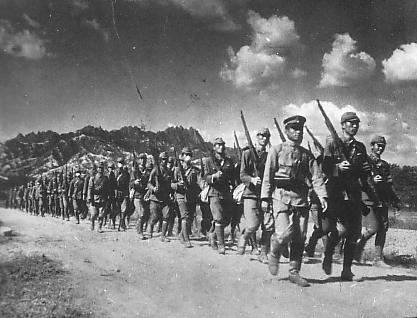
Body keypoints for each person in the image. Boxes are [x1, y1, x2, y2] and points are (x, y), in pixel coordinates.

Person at [261, 115, 327, 287]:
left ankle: (294, 272)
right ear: (286, 131)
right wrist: (264, 198)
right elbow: (267, 176)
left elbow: (317, 177)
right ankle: (275, 250)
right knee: (283, 235)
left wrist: (323, 196)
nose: (298, 132)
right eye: (294, 129)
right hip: (281, 197)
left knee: (300, 237)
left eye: (300, 129)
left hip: (301, 200)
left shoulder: (307, 155)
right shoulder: (276, 150)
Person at [321, 112, 381, 281]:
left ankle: (346, 270)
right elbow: (324, 166)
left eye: (356, 124)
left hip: (354, 194)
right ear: (342, 125)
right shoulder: (332, 142)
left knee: (353, 232)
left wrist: (370, 191)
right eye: (351, 123)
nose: (354, 126)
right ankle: (328, 253)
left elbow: (364, 173)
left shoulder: (360, 147)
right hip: (336, 193)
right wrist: (337, 167)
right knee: (338, 229)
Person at [354, 135, 401, 267]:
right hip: (368, 199)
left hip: (382, 199)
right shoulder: (365, 161)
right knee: (372, 228)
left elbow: (389, 184)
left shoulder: (384, 165)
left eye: (382, 146)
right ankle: (356, 250)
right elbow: (359, 180)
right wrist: (372, 182)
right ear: (372, 146)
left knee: (383, 228)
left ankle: (377, 259)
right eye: (378, 145)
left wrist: (395, 200)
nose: (380, 148)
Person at [237, 128, 270, 256]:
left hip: (265, 194)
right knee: (252, 225)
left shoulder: (269, 155)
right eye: (261, 136)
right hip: (250, 194)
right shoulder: (247, 154)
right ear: (257, 137)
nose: (264, 138)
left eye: (267, 136)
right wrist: (252, 179)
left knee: (267, 226)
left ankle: (263, 253)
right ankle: (245, 237)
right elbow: (242, 174)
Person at [203, 137, 236, 255]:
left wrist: (234, 188)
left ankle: (212, 234)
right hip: (214, 192)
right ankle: (222, 245)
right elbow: (205, 177)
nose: (220, 147)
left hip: (226, 193)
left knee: (226, 218)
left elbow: (232, 177)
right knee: (218, 218)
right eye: (218, 145)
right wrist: (214, 176)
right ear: (214, 147)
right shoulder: (208, 161)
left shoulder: (229, 161)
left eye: (222, 145)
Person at [171, 147, 201, 248]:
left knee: (190, 217)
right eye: (186, 154)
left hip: (191, 196)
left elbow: (198, 182)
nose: (188, 156)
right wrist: (178, 184)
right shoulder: (176, 170)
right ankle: (186, 239)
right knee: (185, 216)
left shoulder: (195, 170)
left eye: (189, 155)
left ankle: (181, 235)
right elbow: (171, 184)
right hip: (181, 196)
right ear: (182, 156)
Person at [147, 151, 174, 242]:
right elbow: (149, 183)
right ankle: (149, 229)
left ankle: (163, 235)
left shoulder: (169, 171)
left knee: (166, 216)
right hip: (155, 198)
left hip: (165, 197)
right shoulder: (155, 170)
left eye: (166, 159)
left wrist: (171, 193)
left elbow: (171, 184)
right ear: (160, 160)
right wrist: (153, 188)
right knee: (154, 216)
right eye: (163, 159)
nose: (165, 161)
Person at [130, 153, 151, 239]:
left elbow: (150, 182)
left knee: (145, 215)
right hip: (137, 196)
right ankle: (141, 233)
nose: (142, 161)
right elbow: (130, 183)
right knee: (142, 214)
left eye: (144, 159)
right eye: (141, 159)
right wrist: (134, 183)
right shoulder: (135, 171)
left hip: (145, 196)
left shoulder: (148, 171)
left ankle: (138, 227)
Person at [87, 163, 110, 232]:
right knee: (93, 214)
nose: (100, 169)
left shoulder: (105, 178)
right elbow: (90, 188)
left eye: (102, 168)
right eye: (99, 168)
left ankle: (99, 227)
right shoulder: (93, 178)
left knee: (101, 214)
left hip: (103, 198)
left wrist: (107, 197)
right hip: (94, 198)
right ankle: (92, 224)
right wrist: (89, 198)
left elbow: (107, 189)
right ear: (97, 169)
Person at [115, 158, 130, 231]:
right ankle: (120, 223)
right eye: (119, 163)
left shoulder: (126, 173)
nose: (120, 164)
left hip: (124, 193)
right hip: (116, 193)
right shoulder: (115, 172)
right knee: (117, 209)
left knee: (123, 209)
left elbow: (128, 183)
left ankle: (121, 223)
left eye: (121, 163)